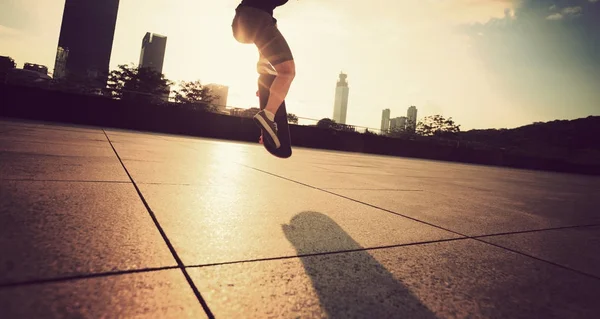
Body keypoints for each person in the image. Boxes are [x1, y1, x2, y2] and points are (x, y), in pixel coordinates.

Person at [231, 0, 296, 149]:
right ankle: (268, 116)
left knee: (272, 25)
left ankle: (264, 65)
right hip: (256, 19)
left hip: (241, 23)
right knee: (287, 72)